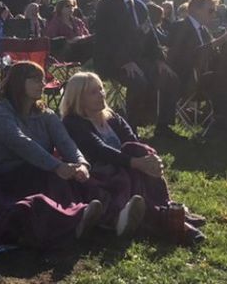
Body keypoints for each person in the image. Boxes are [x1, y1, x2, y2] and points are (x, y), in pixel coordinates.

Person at [61, 72, 205, 243]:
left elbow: (132, 141)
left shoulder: (112, 117)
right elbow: (99, 150)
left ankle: (161, 208)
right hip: (98, 173)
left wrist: (148, 160)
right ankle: (166, 217)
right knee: (129, 174)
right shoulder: (72, 122)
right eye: (93, 92)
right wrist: (136, 163)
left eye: (101, 89)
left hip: (125, 167)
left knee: (136, 149)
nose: (101, 94)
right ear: (79, 98)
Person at [0, 61, 108, 246]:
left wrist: (81, 164)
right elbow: (24, 145)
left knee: (79, 177)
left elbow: (65, 142)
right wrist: (56, 166)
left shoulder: (46, 114)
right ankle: (77, 218)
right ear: (19, 82)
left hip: (42, 168)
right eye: (35, 80)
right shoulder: (1, 114)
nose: (42, 84)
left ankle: (105, 214)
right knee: (52, 179)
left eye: (43, 80)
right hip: (8, 176)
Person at [93, 0, 179, 136]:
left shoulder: (140, 6)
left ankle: (163, 127)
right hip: (113, 61)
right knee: (139, 82)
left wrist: (159, 60)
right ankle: (131, 129)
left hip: (139, 60)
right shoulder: (107, 5)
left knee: (170, 78)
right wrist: (124, 61)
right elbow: (107, 38)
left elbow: (150, 35)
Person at [167, 0, 227, 93]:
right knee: (224, 80)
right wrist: (220, 40)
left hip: (203, 75)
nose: (213, 15)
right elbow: (192, 55)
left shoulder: (204, 30)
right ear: (196, 10)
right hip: (186, 76)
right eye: (211, 11)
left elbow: (212, 54)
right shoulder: (179, 27)